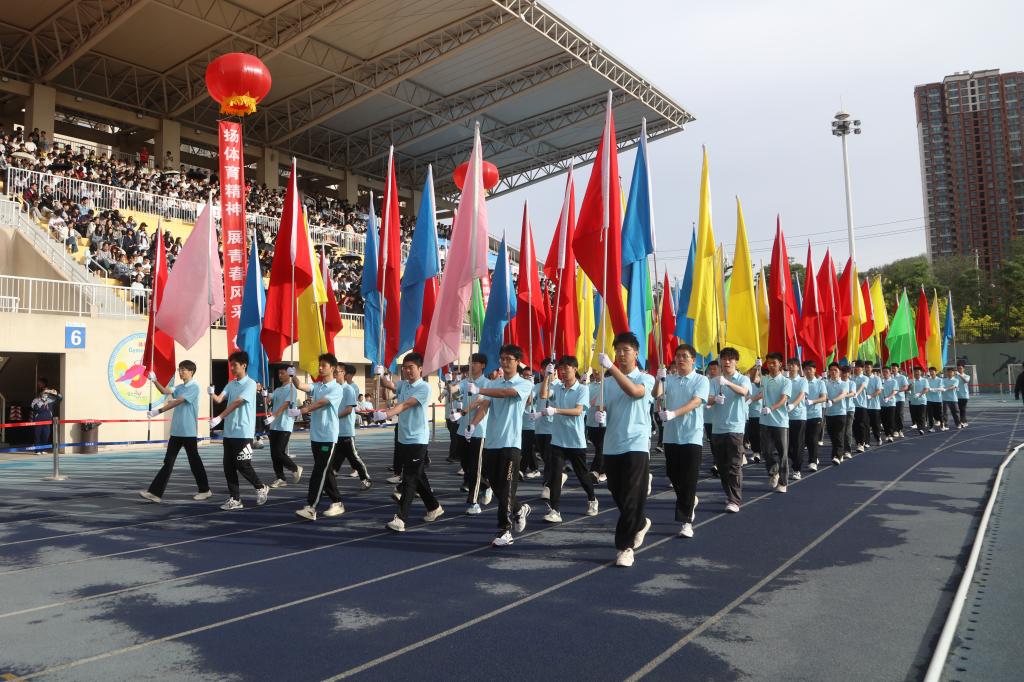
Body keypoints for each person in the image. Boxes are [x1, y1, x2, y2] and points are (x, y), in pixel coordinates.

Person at [594, 333, 656, 567]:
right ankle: (640, 523)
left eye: (626, 350)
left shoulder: (646, 378)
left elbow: (634, 392)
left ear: (636, 353)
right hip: (613, 444)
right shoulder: (607, 383)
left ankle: (625, 547)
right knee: (618, 493)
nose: (621, 354)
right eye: (617, 350)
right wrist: (599, 414)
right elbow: (600, 407)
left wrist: (610, 367)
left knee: (631, 497)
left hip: (636, 444)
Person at [467, 344, 534, 546]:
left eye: (509, 359)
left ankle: (505, 530)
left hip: (511, 444)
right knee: (496, 486)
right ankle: (519, 509)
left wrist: (479, 389)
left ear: (517, 362)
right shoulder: (494, 383)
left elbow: (506, 393)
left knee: (506, 486)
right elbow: (485, 406)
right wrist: (473, 424)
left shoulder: (524, 383)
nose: (505, 362)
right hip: (492, 442)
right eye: (502, 359)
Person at [379, 353, 443, 532]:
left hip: (417, 439)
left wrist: (386, 414)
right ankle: (434, 507)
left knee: (409, 479)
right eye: (405, 368)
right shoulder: (404, 385)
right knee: (418, 475)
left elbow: (405, 405)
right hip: (403, 438)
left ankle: (400, 518)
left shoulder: (424, 387)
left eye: (411, 367)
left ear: (420, 369)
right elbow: (390, 385)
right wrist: (381, 373)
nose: (407, 371)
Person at [138, 360, 212, 502]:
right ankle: (155, 493)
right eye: (180, 369)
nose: (180, 372)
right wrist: (155, 380)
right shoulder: (179, 387)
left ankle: (205, 490)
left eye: (183, 370)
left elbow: (178, 401)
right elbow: (165, 391)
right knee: (168, 462)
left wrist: (158, 411)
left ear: (191, 372)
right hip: (176, 432)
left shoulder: (194, 387)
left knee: (194, 462)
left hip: (188, 431)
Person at [658, 344, 709, 539]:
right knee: (673, 475)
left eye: (684, 356)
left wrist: (674, 413)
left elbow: (696, 401)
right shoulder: (669, 379)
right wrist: (659, 378)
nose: (680, 359)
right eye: (678, 356)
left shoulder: (701, 380)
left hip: (691, 435)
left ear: (693, 360)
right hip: (671, 435)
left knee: (689, 479)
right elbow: (656, 394)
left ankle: (686, 522)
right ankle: (689, 500)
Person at [540, 356, 598, 523]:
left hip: (575, 440)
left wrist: (556, 410)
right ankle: (555, 510)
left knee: (582, 475)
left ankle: (592, 498)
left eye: (567, 368)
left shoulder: (582, 389)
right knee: (555, 476)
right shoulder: (557, 387)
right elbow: (544, 395)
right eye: (561, 369)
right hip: (558, 439)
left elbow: (578, 411)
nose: (563, 372)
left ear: (575, 369)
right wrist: (546, 376)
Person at [210, 351, 269, 511]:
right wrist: (212, 393)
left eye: (234, 365)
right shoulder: (231, 384)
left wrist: (220, 417)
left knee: (243, 464)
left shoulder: (250, 384)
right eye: (231, 365)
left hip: (243, 432)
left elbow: (237, 402)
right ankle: (235, 499)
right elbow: (219, 399)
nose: (232, 368)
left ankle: (261, 487)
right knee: (228, 466)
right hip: (229, 432)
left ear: (244, 365)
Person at [292, 355, 346, 521]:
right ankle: (337, 502)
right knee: (325, 471)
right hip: (316, 436)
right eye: (319, 365)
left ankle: (311, 507)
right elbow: (300, 385)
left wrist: (303, 410)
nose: (320, 368)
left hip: (328, 436)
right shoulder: (318, 386)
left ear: (332, 368)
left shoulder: (336, 388)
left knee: (319, 471)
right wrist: (293, 375)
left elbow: (322, 402)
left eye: (324, 365)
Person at [709, 348, 752, 514]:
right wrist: (715, 399)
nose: (727, 362)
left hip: (735, 428)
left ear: (736, 362)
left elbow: (744, 392)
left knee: (734, 465)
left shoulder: (742, 379)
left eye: (730, 359)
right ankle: (729, 494)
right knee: (722, 466)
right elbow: (707, 400)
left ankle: (735, 499)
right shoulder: (714, 381)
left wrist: (727, 383)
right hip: (718, 428)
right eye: (724, 359)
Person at [454, 353, 492, 514]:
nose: (471, 365)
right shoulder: (465, 382)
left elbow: (479, 403)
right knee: (466, 466)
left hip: (478, 431)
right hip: (462, 430)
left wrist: (463, 413)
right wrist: (449, 383)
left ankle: (473, 502)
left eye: (475, 363)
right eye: (470, 362)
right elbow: (455, 391)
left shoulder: (487, 384)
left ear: (483, 365)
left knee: (475, 467)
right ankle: (486, 485)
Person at [334, 364, 371, 489]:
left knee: (354, 457)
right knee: (334, 461)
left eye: (337, 372)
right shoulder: (334, 389)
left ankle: (365, 479)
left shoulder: (349, 389)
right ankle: (328, 485)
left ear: (343, 373)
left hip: (346, 431)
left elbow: (349, 409)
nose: (334, 375)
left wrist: (333, 416)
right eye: (334, 372)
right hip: (335, 432)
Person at [264, 365, 302, 489]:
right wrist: (266, 396)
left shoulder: (291, 389)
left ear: (288, 373)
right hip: (274, 425)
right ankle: (280, 478)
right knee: (273, 454)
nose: (280, 375)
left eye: (282, 373)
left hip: (285, 424)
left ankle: (295, 468)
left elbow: (286, 404)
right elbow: (269, 400)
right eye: (279, 373)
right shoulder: (278, 389)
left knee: (278, 452)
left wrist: (274, 416)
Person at [759, 353, 792, 493]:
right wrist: (756, 366)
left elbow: (784, 399)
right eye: (768, 363)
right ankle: (774, 471)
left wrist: (771, 408)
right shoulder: (765, 379)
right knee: (766, 452)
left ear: (780, 364)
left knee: (782, 454)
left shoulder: (786, 381)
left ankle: (783, 482)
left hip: (780, 422)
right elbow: (754, 379)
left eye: (774, 363)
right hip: (765, 421)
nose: (771, 365)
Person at [802, 361, 828, 471]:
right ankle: (814, 456)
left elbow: (824, 398)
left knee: (813, 438)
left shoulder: (820, 383)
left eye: (810, 369)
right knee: (805, 439)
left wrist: (812, 401)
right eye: (806, 369)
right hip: (802, 415)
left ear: (814, 370)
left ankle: (812, 462)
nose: (808, 371)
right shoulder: (801, 382)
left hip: (815, 414)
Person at [785, 358, 808, 480]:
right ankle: (794, 461)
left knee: (798, 443)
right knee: (787, 445)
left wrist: (793, 405)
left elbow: (801, 395)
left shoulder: (803, 381)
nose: (791, 367)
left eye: (793, 365)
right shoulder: (785, 380)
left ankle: (797, 469)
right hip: (785, 417)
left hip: (799, 416)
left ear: (798, 368)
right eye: (789, 365)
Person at [824, 363, 851, 466]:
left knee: (839, 434)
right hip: (829, 413)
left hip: (840, 413)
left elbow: (843, 394)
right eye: (831, 370)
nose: (833, 372)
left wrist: (833, 400)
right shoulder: (826, 383)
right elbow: (824, 394)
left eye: (835, 370)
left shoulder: (844, 383)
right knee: (832, 436)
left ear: (839, 372)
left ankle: (837, 456)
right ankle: (838, 453)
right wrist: (827, 399)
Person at [586, 370, 607, 483]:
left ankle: (595, 471)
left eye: (598, 370)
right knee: (599, 447)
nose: (596, 373)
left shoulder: (607, 384)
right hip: (591, 421)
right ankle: (604, 470)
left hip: (605, 422)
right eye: (594, 371)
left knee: (601, 447)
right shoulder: (589, 386)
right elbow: (586, 402)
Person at [30, 377, 62, 447]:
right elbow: (35, 408)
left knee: (46, 436)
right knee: (37, 436)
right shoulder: (36, 400)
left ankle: (43, 449)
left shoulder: (51, 400)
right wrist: (42, 401)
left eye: (46, 393)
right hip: (38, 421)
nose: (45, 394)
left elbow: (60, 398)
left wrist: (54, 392)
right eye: (44, 393)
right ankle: (37, 450)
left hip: (47, 421)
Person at [704, 360, 721, 477]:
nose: (712, 371)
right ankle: (717, 462)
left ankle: (718, 463)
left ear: (720, 369)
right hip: (708, 418)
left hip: (721, 419)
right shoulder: (705, 382)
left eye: (715, 369)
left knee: (720, 443)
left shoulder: (723, 382)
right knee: (713, 442)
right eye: (710, 369)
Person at [745, 364, 762, 463]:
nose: (752, 371)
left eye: (754, 369)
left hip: (759, 412)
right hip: (748, 413)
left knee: (758, 434)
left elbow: (762, 394)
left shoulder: (761, 381)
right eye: (751, 369)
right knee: (751, 434)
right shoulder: (747, 381)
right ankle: (755, 452)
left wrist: (751, 399)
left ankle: (757, 453)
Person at [851, 362, 870, 451]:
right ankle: (858, 442)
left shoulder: (865, 378)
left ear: (862, 368)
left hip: (861, 405)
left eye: (858, 367)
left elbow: (862, 387)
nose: (856, 369)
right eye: (855, 367)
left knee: (861, 424)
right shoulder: (851, 378)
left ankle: (861, 443)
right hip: (852, 406)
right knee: (854, 425)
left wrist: (856, 393)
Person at [864, 363, 883, 446]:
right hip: (864, 406)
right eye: (865, 367)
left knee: (876, 424)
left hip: (874, 405)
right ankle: (866, 441)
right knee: (866, 425)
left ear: (871, 368)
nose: (867, 369)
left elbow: (879, 390)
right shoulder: (863, 378)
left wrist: (870, 396)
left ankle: (878, 438)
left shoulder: (876, 378)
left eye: (868, 367)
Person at [909, 367, 930, 434]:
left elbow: (926, 389)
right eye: (915, 371)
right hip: (913, 401)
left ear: (921, 372)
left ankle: (921, 428)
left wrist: (919, 394)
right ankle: (919, 426)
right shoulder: (911, 380)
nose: (916, 373)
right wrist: (910, 385)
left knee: (921, 415)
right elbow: (908, 389)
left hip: (922, 401)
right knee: (915, 416)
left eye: (918, 371)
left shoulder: (924, 380)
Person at [842, 365, 856, 459]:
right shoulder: (839, 382)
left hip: (849, 409)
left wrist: (844, 395)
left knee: (847, 431)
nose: (844, 374)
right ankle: (840, 450)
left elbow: (853, 393)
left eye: (846, 372)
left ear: (849, 373)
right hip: (839, 410)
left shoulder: (851, 383)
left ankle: (847, 450)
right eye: (843, 372)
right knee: (840, 431)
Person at [880, 366, 898, 442]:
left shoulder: (894, 381)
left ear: (890, 372)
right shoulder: (881, 381)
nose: (885, 373)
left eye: (886, 372)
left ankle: (890, 435)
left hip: (891, 403)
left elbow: (895, 391)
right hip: (882, 403)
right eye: (883, 372)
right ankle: (887, 434)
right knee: (884, 420)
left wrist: (888, 397)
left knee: (890, 420)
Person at [893, 364, 909, 437]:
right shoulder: (890, 377)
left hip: (900, 398)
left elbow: (906, 387)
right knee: (893, 415)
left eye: (894, 368)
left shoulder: (902, 377)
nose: (893, 369)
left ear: (898, 369)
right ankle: (895, 430)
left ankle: (900, 430)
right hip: (891, 399)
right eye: (892, 368)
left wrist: (898, 391)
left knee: (899, 414)